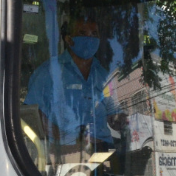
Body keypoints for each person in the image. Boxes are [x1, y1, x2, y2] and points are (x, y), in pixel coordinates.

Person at [24, 17, 121, 152]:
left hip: (103, 151)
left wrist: (122, 120)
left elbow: (114, 114)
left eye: (94, 34)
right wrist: (59, 137)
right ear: (68, 39)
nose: (90, 39)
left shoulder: (104, 75)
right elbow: (30, 113)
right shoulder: (49, 72)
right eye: (82, 33)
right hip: (64, 154)